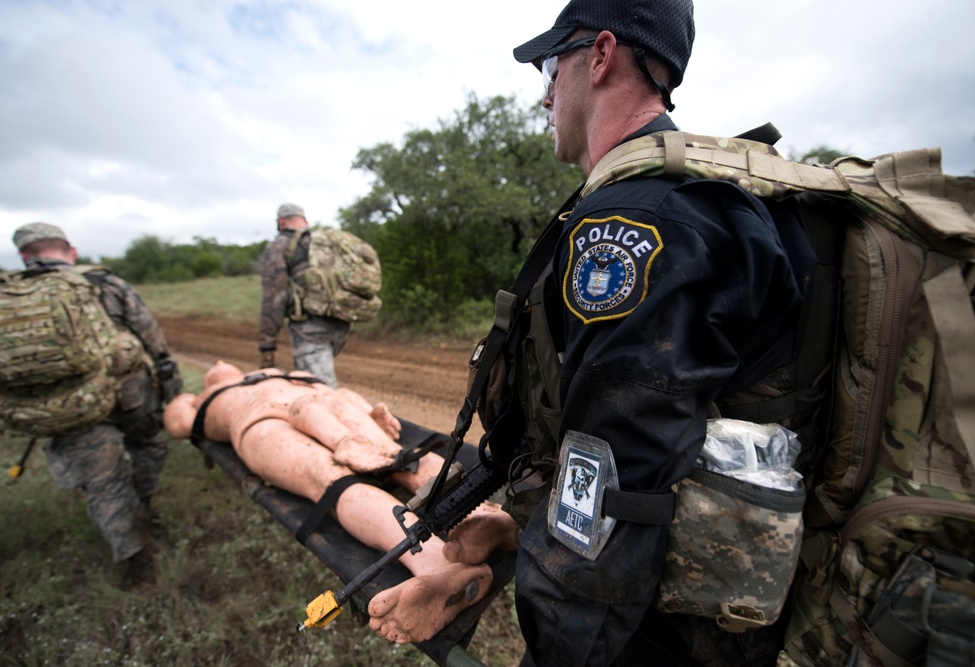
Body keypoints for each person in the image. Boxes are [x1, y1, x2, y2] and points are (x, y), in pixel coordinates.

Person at [445, 1, 816, 665]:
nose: (544, 97)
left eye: (551, 70)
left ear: (599, 55)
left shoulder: (636, 221)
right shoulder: (696, 195)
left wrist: (556, 651)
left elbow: (614, 489)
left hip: (662, 626)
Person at [163, 360, 493, 644]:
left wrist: (366, 410)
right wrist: (184, 398)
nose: (219, 362)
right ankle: (439, 565)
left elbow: (336, 391)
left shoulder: (277, 372)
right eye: (212, 368)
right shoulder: (203, 401)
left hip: (320, 403)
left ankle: (482, 518)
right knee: (331, 480)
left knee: (396, 456)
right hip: (257, 421)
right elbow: (176, 419)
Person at [11, 222, 184, 589]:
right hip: (130, 396)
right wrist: (171, 383)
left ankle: (136, 559)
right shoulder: (105, 284)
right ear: (70, 252)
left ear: (24, 257)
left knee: (104, 482)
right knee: (148, 447)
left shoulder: (12, 296)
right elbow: (151, 336)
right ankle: (145, 505)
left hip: (67, 408)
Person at [258, 202, 353, 388]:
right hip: (343, 320)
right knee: (321, 373)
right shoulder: (324, 242)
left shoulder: (279, 246)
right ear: (304, 220)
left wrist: (267, 345)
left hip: (310, 326)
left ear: (281, 222)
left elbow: (274, 297)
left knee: (318, 389)